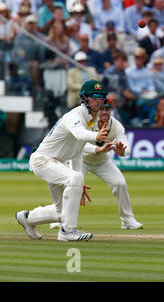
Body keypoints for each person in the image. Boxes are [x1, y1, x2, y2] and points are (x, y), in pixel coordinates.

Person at [15, 79, 110, 241]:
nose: (98, 100)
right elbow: (80, 134)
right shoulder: (74, 116)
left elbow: (77, 151)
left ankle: (27, 218)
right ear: (84, 98)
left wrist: (78, 182)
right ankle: (67, 232)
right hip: (42, 160)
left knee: (63, 211)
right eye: (93, 96)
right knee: (75, 179)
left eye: (101, 97)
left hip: (56, 163)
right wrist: (96, 136)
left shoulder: (92, 120)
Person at [50, 99, 143, 230]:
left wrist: (122, 151)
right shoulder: (87, 123)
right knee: (71, 186)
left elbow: (126, 147)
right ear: (97, 109)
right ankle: (61, 218)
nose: (104, 112)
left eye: (107, 109)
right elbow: (80, 143)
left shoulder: (116, 126)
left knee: (120, 184)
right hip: (80, 160)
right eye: (102, 109)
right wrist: (99, 149)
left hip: (102, 161)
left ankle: (127, 220)